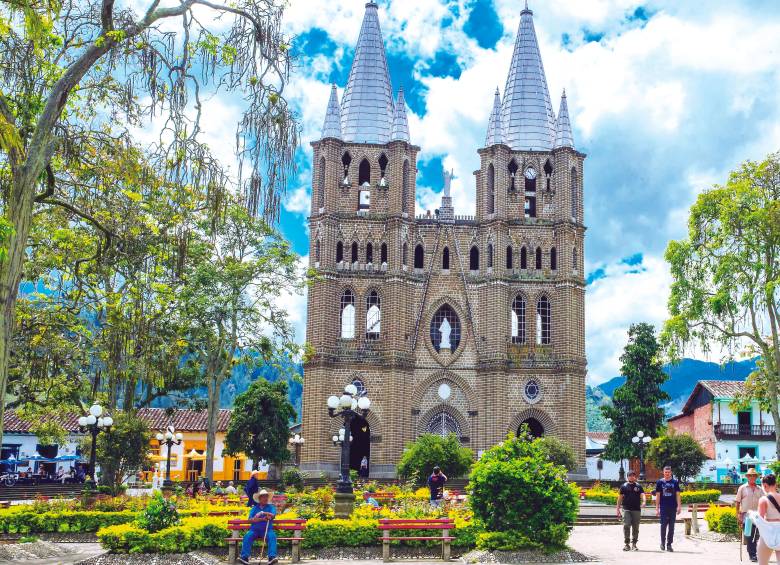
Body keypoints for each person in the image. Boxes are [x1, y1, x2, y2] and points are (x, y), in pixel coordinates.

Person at [240, 489, 278, 565]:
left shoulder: (271, 507)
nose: (266, 498)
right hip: (254, 530)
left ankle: (272, 557)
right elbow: (250, 520)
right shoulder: (254, 508)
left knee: (272, 536)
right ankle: (244, 557)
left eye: (267, 497)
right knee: (247, 536)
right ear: (259, 498)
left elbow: (273, 515)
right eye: (264, 497)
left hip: (267, 530)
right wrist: (262, 519)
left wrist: (262, 512)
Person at [752, 474, 780, 565]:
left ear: (765, 485)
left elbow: (760, 519)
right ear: (776, 484)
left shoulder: (763, 499)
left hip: (768, 532)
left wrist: (752, 516)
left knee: (762, 562)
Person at [737, 468, 764, 562]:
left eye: (754, 476)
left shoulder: (760, 489)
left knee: (757, 535)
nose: (752, 477)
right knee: (749, 535)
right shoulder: (742, 488)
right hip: (747, 516)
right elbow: (737, 502)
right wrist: (738, 515)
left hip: (757, 515)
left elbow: (764, 501)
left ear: (756, 477)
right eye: (750, 475)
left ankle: (756, 553)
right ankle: (752, 554)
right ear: (747, 477)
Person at [655, 465, 682, 552]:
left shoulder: (675, 482)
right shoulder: (659, 482)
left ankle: (669, 544)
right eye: (665, 472)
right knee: (663, 526)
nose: (667, 474)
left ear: (671, 473)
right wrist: (657, 508)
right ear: (663, 472)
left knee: (671, 527)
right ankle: (662, 543)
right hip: (663, 507)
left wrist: (679, 506)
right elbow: (658, 496)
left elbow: (678, 495)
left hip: (672, 507)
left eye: (668, 472)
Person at [616, 469, 645, 551]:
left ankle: (634, 544)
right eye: (630, 475)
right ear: (627, 477)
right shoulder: (624, 486)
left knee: (636, 527)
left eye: (633, 475)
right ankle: (627, 544)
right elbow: (620, 498)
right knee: (626, 525)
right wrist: (617, 509)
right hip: (626, 509)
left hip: (636, 509)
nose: (631, 477)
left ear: (635, 477)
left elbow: (642, 494)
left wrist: (644, 501)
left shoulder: (638, 486)